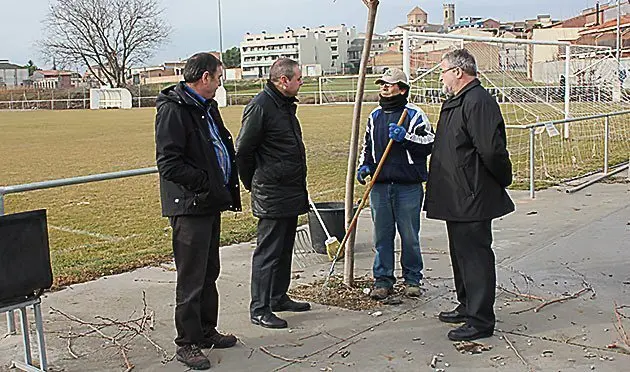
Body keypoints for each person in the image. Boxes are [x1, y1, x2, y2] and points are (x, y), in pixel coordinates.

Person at [155, 52, 241, 370]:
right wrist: (205, 182)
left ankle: (206, 331)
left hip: (209, 202)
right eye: (218, 78)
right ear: (205, 77)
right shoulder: (174, 109)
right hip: (190, 205)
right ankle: (187, 342)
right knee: (191, 277)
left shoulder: (208, 107)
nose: (219, 84)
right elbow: (169, 163)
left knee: (209, 272)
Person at [424, 49, 515, 341]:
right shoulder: (457, 101)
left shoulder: (478, 101)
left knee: (475, 257)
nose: (441, 77)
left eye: (443, 71)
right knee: (460, 255)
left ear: (459, 72)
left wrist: (502, 179)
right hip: (456, 194)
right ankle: (466, 305)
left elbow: (491, 150)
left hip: (472, 193)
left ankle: (480, 320)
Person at [235, 58, 311, 329]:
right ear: (283, 80)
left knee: (284, 248)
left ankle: (278, 296)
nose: (302, 82)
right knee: (268, 251)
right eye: (299, 79)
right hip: (272, 190)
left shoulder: (285, 106)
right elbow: (243, 150)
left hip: (290, 188)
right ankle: (260, 307)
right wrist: (253, 182)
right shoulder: (261, 106)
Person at [356, 67, 434, 301]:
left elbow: (429, 143)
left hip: (407, 186)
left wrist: (405, 138)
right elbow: (367, 146)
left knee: (409, 235)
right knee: (382, 235)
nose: (384, 87)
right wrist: (365, 165)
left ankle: (412, 279)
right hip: (380, 186)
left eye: (389, 84)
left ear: (402, 88)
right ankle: (383, 280)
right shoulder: (375, 115)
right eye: (382, 83)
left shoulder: (414, 114)